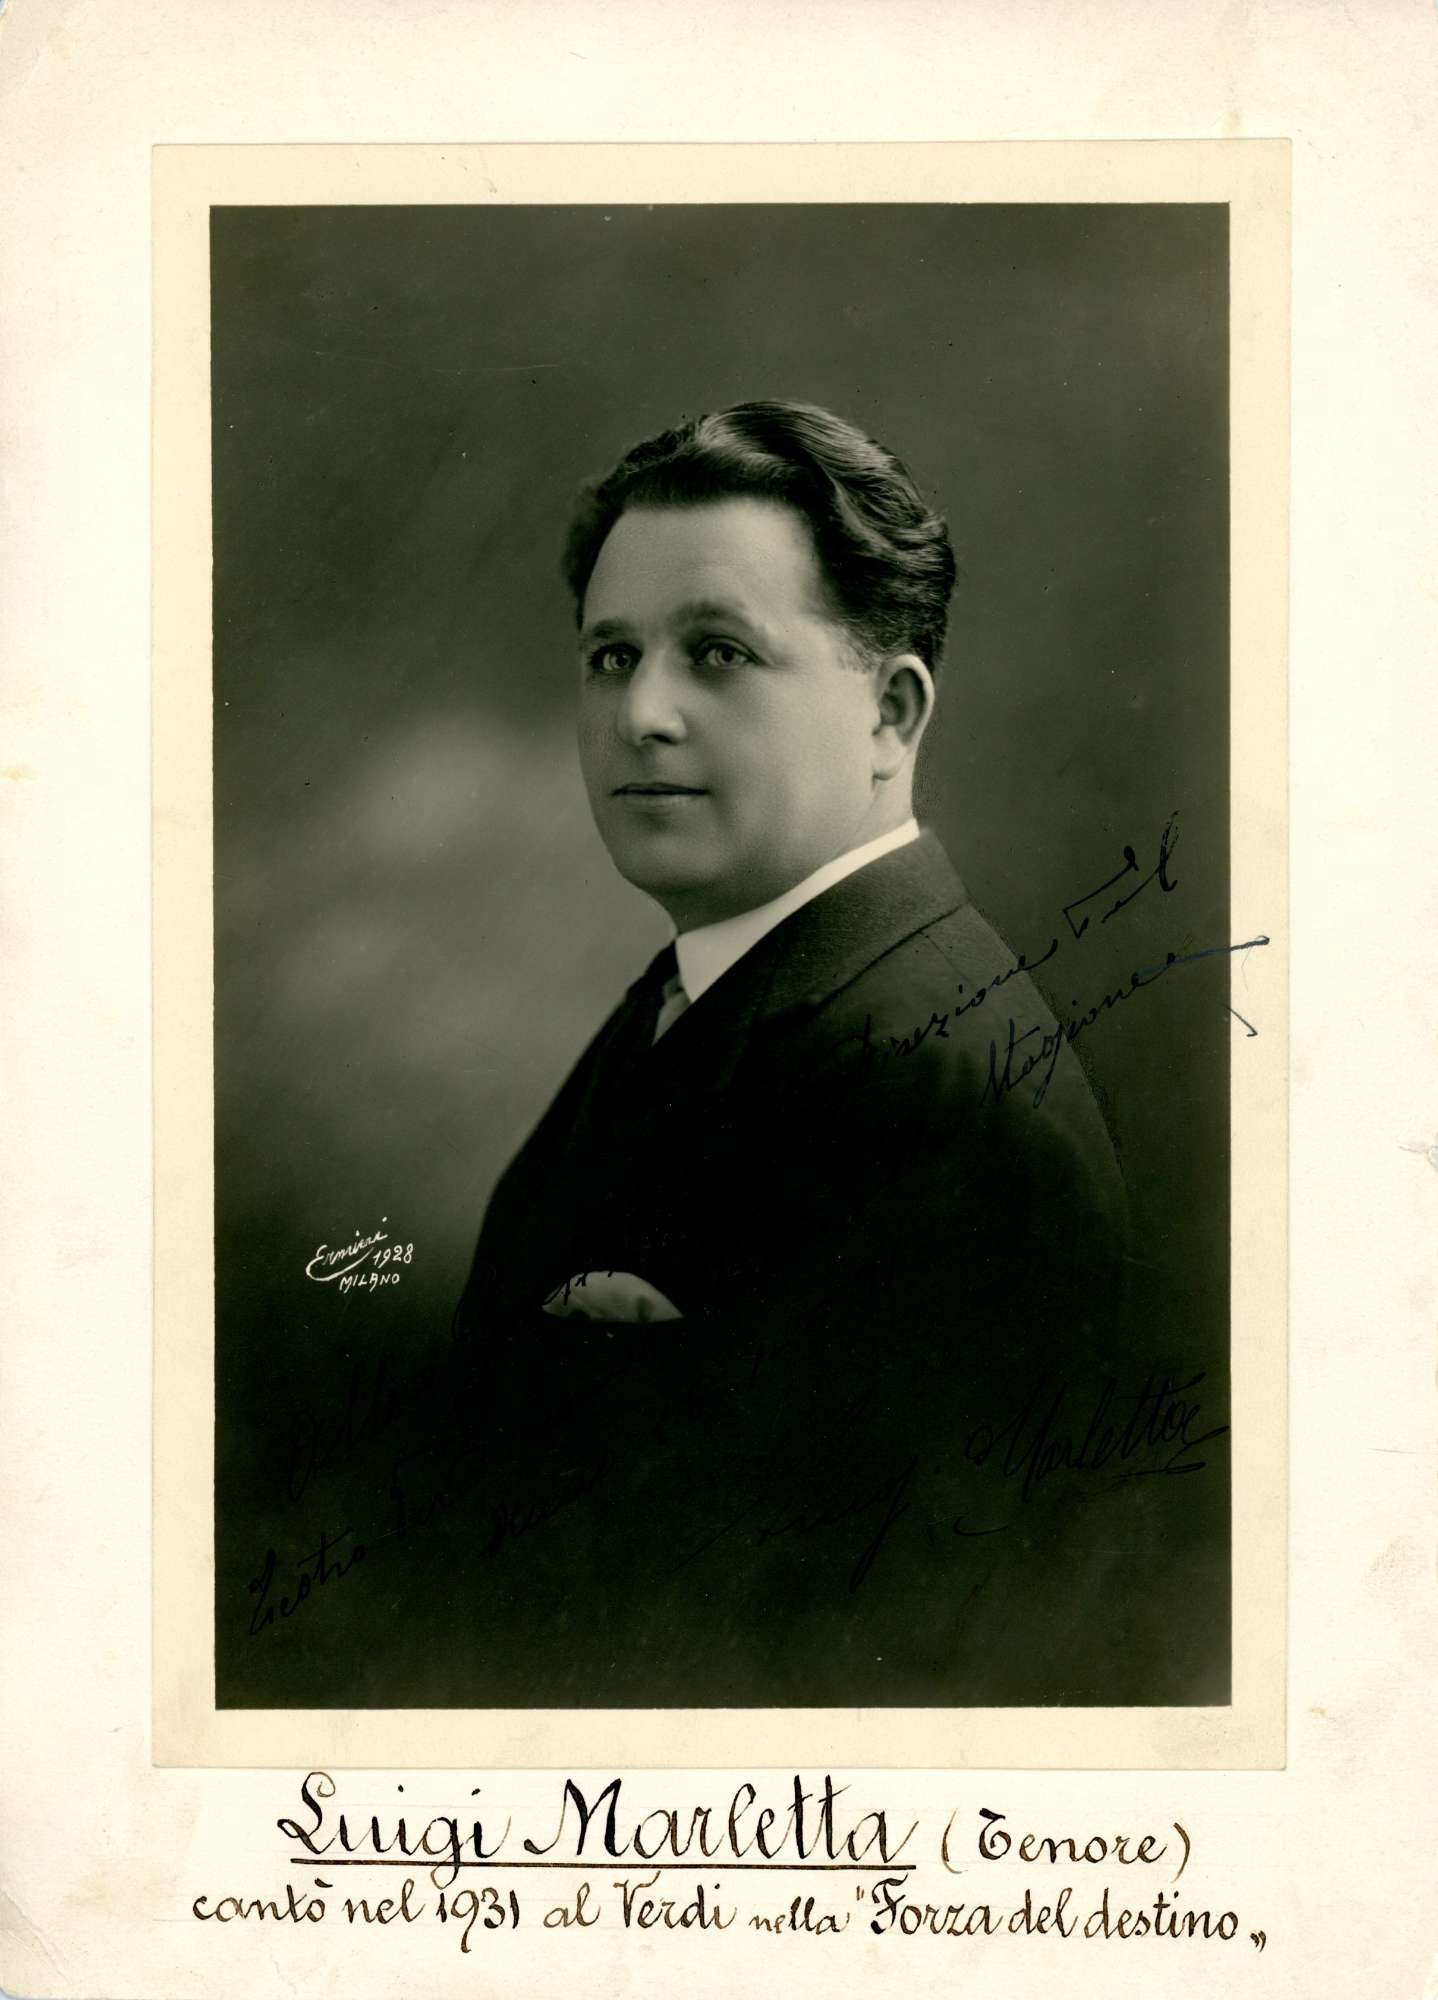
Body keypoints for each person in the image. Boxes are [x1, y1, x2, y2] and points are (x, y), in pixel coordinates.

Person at [443, 401, 1133, 1706]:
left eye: (718, 652)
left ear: (890, 715)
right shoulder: (713, 989)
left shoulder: (936, 1104)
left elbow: (894, 1663)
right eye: (610, 656)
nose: (641, 713)